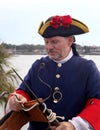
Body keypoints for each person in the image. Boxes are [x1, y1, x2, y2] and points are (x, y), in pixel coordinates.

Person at [6, 14, 100, 130]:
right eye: (46, 42)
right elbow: (23, 91)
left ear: (70, 41)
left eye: (54, 42)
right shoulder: (38, 65)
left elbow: (97, 102)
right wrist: (17, 99)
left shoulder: (87, 68)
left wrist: (74, 125)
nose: (49, 47)